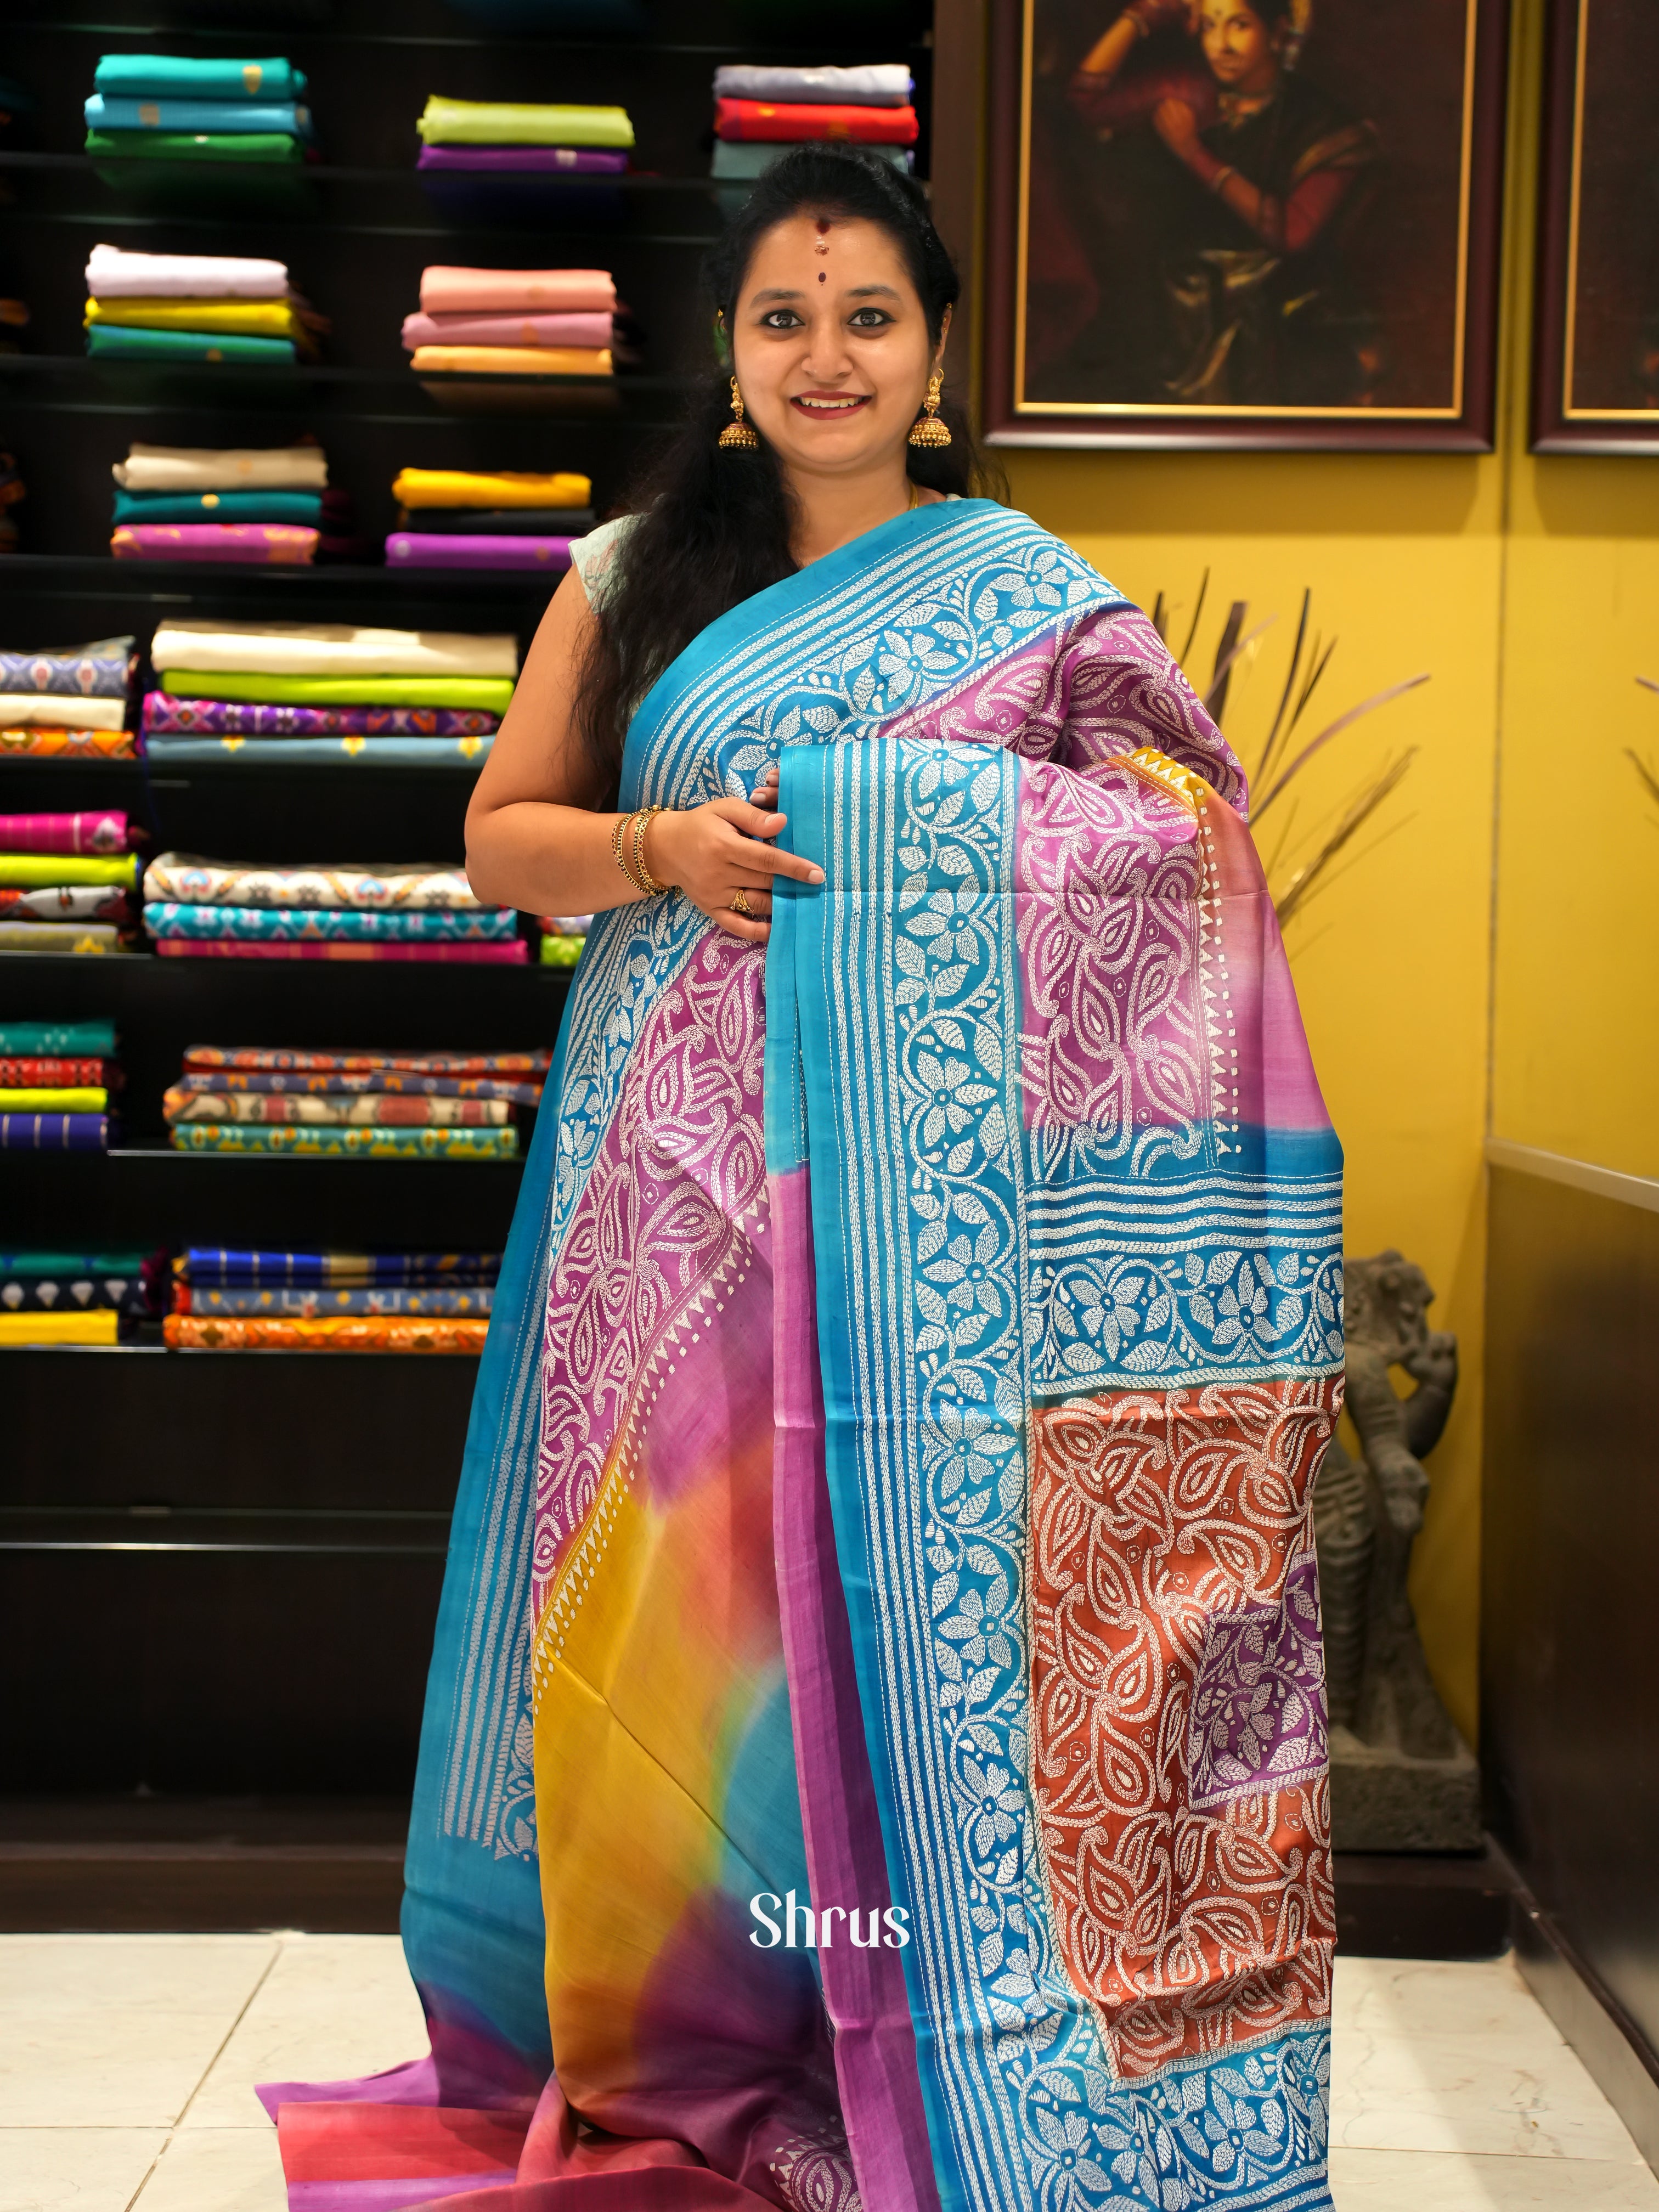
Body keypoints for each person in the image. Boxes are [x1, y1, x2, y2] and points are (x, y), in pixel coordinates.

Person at [258, 147, 1345, 2212]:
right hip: (659, 1212)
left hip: (919, 1240)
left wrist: (898, 825)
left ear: (932, 353)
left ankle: (887, 2053)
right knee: (667, 1646)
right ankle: (675, 2050)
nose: (823, 354)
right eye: (781, 317)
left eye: (865, 316)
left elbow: (1181, 840)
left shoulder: (1029, 595)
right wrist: (658, 852)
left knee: (868, 1636)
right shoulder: (620, 571)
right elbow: (504, 837)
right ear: (727, 354)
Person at [1063, 0, 1380, 403]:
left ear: (1279, 33)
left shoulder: (1325, 124)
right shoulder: (1189, 91)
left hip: (1277, 317)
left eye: (1239, 25)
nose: (1220, 45)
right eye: (1210, 26)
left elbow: (1292, 232)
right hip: (1175, 311)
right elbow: (1084, 98)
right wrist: (1140, 17)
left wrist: (1195, 154)